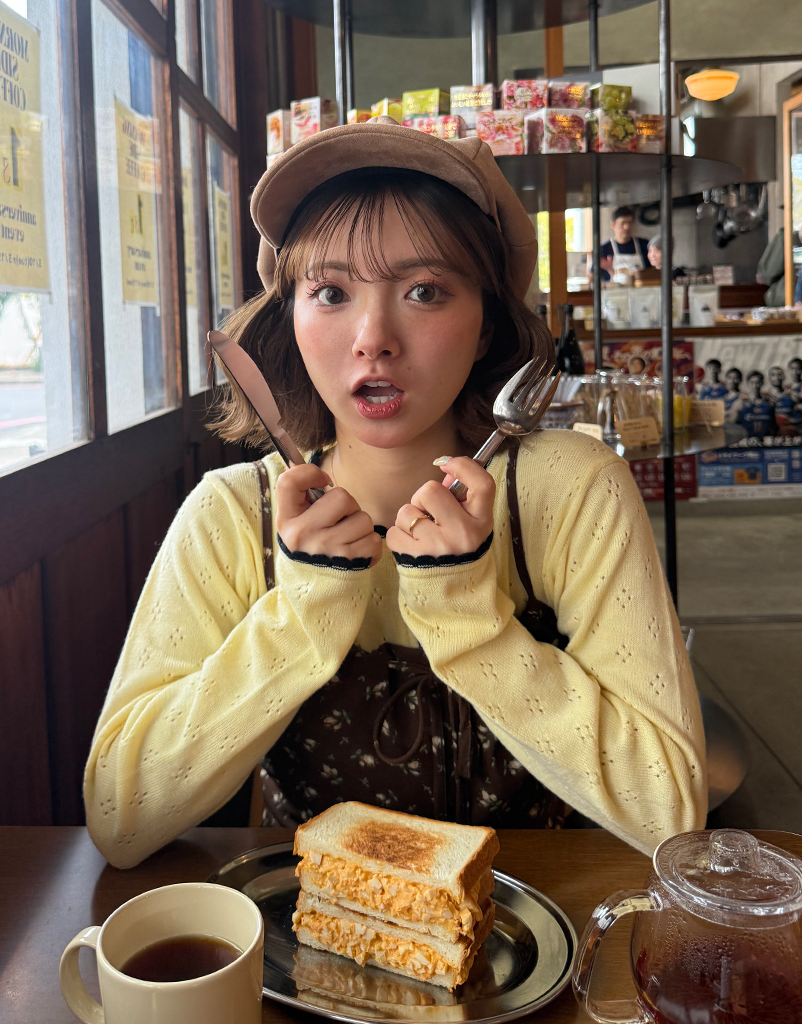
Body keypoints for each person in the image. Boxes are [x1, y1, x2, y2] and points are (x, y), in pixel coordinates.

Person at [84, 117, 705, 869]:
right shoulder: (234, 514)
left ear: (486, 325)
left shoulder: (572, 490)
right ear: (290, 318)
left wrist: (467, 612)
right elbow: (119, 816)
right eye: (331, 292)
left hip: (539, 921)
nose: (373, 336)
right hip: (306, 924)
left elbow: (671, 811)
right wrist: (303, 611)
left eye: (424, 291)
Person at [591, 206, 652, 283]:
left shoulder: (644, 244)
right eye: (623, 223)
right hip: (613, 290)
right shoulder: (603, 249)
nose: (626, 227)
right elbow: (592, 277)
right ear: (613, 225)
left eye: (630, 223)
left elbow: (653, 271)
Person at [737, 371, 777, 439]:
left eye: (758, 382)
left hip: (765, 441)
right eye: (752, 383)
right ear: (747, 384)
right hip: (746, 441)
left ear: (762, 383)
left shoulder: (769, 403)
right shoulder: (741, 403)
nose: (755, 386)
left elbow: (774, 425)